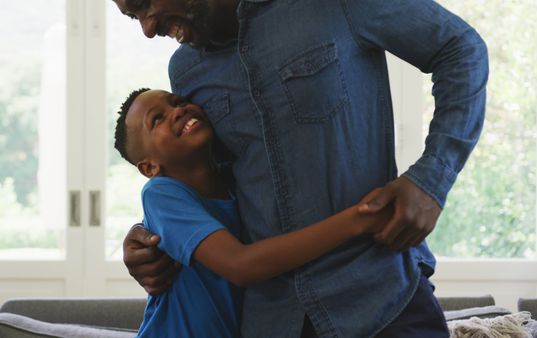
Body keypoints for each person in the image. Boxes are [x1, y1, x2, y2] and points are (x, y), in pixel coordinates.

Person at [112, 0, 488, 337]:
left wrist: (430, 180)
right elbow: (216, 183)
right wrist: (151, 239)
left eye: (143, 5)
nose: (146, 29)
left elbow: (459, 49)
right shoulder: (186, 71)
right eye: (134, 16)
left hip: (382, 302)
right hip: (269, 319)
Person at [115, 87, 391, 337]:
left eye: (177, 101)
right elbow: (240, 265)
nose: (178, 110)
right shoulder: (160, 194)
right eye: (157, 119)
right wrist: (359, 219)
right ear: (149, 168)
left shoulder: (241, 183)